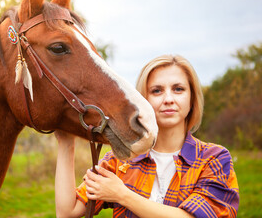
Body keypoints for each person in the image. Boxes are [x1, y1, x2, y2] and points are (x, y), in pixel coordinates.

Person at [54, 55, 239, 218]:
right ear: (143, 100)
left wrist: (122, 195)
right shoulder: (120, 160)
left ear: (192, 99)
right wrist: (65, 142)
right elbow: (68, 212)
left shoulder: (213, 158)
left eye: (178, 89)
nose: (168, 99)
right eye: (156, 91)